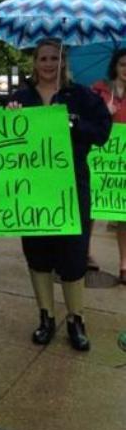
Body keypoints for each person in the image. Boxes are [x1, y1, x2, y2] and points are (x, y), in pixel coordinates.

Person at [9, 38, 111, 351]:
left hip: (71, 186)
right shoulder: (21, 97)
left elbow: (102, 133)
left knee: (73, 253)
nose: (49, 64)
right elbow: (6, 140)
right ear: (35, 62)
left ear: (62, 62)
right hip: (34, 188)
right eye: (43, 59)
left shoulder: (80, 96)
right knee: (37, 252)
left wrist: (74, 123)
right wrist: (8, 116)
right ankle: (46, 316)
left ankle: (75, 320)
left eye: (55, 58)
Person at [90, 47, 126, 284]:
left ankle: (124, 263)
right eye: (123, 64)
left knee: (123, 211)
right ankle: (85, 252)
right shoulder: (99, 89)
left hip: (122, 161)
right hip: (100, 155)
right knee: (92, 206)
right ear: (115, 65)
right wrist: (105, 113)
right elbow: (88, 116)